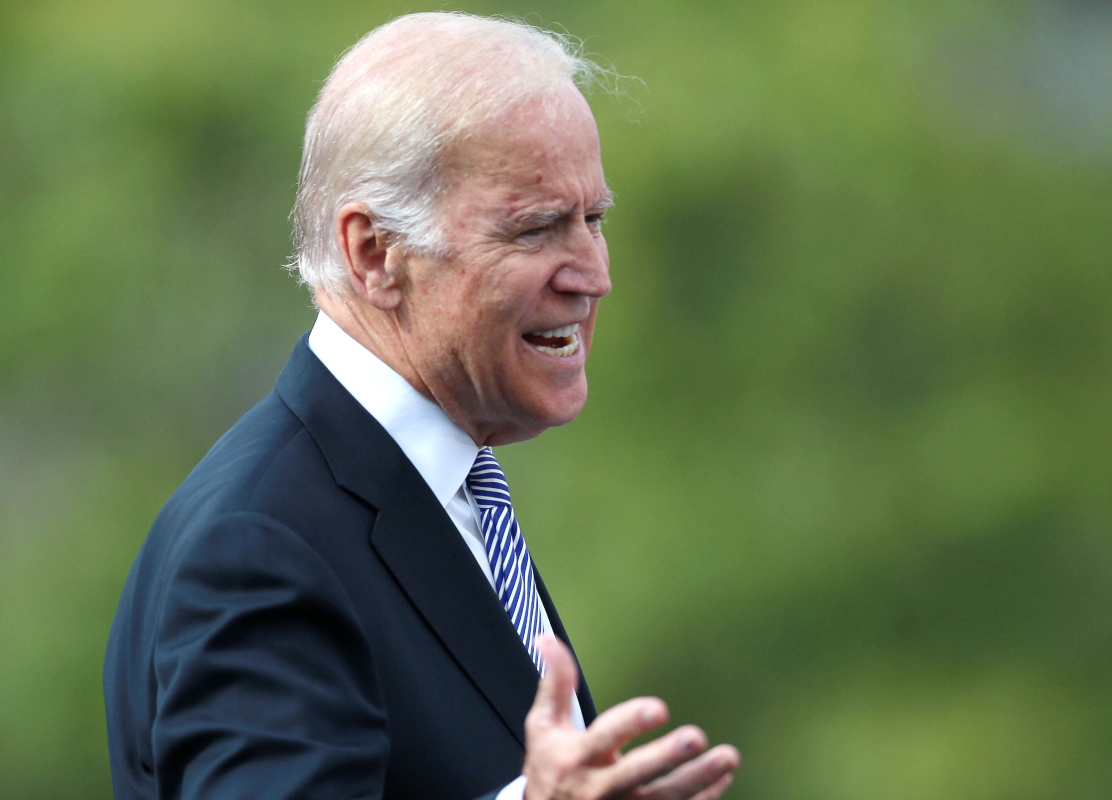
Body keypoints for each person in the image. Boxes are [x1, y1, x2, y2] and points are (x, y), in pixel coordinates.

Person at [102, 12, 740, 800]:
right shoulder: (257, 549)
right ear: (374, 254)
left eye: (594, 220)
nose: (593, 274)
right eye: (538, 229)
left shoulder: (446, 487)